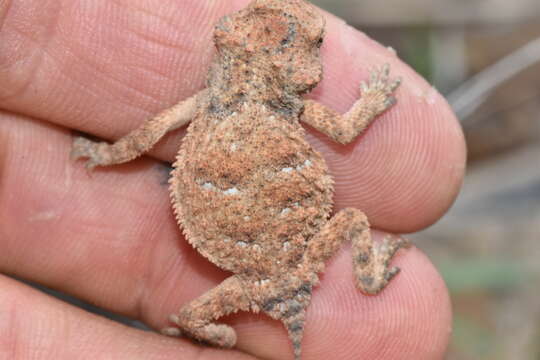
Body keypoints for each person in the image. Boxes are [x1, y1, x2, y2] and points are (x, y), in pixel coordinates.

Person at [0, 1, 465, 358]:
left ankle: (230, 332)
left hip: (258, 273)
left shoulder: (208, 104)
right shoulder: (288, 106)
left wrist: (105, 153)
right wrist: (374, 97)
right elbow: (346, 129)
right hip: (288, 261)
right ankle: (369, 278)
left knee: (191, 319)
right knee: (356, 219)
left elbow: (144, 138)